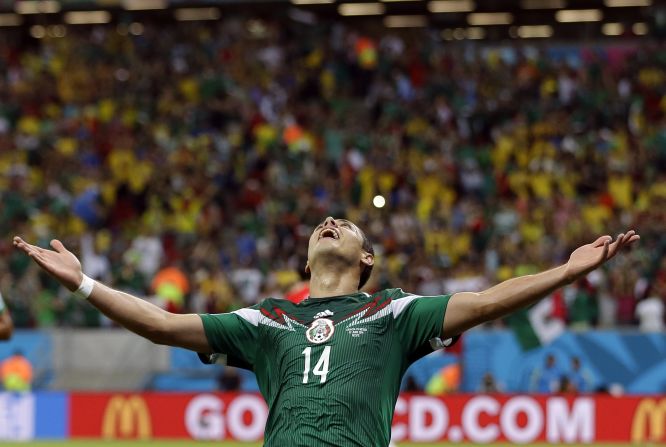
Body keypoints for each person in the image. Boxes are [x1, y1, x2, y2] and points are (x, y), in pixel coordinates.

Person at [13, 219, 638, 446]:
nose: (331, 222)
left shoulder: (395, 314)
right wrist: (82, 283)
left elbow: (485, 302)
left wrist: (566, 271)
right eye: (321, 225)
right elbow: (162, 325)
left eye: (346, 225)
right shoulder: (266, 322)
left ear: (367, 261)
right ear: (306, 262)